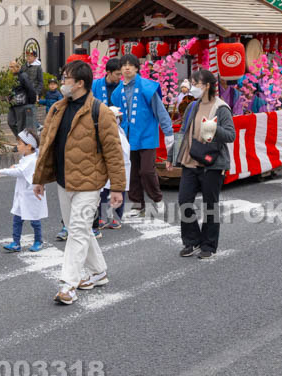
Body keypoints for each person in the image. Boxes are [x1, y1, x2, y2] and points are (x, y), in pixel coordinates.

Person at [32, 60, 126, 305]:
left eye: (66, 78)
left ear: (80, 83)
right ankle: (99, 271)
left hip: (89, 184)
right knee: (79, 229)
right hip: (64, 181)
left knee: (77, 231)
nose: (62, 82)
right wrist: (39, 179)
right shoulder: (57, 109)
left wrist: (117, 187)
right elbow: (46, 147)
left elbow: (114, 152)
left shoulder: (100, 111)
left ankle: (68, 284)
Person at [174, 69, 236, 259]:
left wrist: (215, 128)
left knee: (210, 204)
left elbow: (230, 135)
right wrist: (173, 156)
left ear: (207, 85)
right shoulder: (193, 106)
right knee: (184, 200)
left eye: (196, 83)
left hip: (212, 162)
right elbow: (183, 131)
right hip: (190, 160)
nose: (192, 87)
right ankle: (191, 241)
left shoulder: (221, 107)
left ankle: (208, 245)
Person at [117, 54, 174, 216]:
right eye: (124, 65)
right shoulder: (118, 91)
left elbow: (160, 111)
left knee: (147, 171)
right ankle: (137, 204)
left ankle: (157, 199)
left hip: (147, 136)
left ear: (136, 68)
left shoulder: (147, 87)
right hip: (128, 137)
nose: (127, 67)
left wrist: (168, 131)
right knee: (132, 172)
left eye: (130, 65)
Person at [0, 128, 45, 252]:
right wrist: (16, 165)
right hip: (22, 194)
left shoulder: (32, 160)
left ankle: (38, 241)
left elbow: (20, 172)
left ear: (29, 146)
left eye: (19, 143)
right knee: (17, 219)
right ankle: (16, 242)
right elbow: (21, 167)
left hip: (31, 195)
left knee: (34, 219)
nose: (17, 146)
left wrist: (1, 171)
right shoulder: (27, 157)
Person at [100, 106, 131, 229]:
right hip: (106, 167)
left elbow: (125, 154)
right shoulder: (104, 132)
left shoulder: (120, 133)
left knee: (118, 193)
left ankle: (117, 218)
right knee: (102, 193)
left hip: (120, 168)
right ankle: (102, 217)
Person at [7, 59, 37, 137]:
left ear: (18, 67)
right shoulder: (11, 77)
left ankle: (21, 143)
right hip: (12, 104)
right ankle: (20, 140)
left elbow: (30, 88)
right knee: (11, 122)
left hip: (21, 103)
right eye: (10, 67)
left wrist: (31, 101)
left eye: (12, 67)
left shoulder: (23, 75)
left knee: (21, 125)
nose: (10, 69)